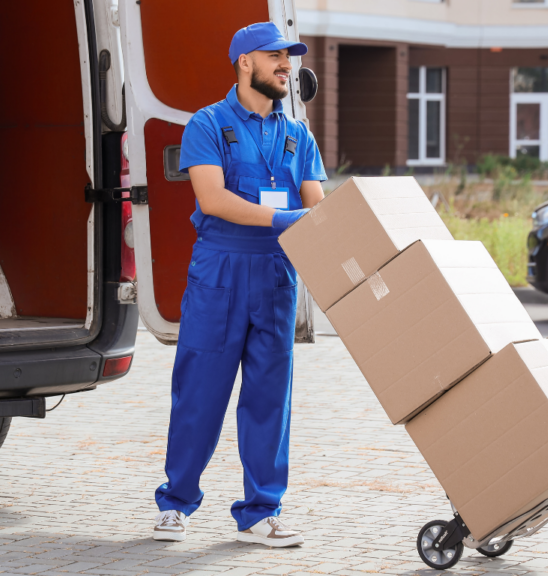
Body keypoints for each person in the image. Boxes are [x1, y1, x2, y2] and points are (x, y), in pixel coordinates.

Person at [152, 22, 327, 547]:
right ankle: (176, 503)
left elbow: (318, 205)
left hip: (276, 276)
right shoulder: (207, 124)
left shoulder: (298, 135)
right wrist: (283, 221)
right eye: (275, 57)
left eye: (289, 59)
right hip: (220, 275)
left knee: (270, 399)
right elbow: (212, 199)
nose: (286, 66)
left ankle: (260, 512)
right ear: (244, 62)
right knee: (199, 395)